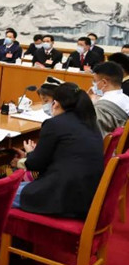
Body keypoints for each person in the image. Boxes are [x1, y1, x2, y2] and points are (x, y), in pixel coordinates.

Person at [11, 83, 103, 218]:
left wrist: (30, 154)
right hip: (88, 195)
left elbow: (36, 165)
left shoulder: (54, 123)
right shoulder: (91, 123)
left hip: (61, 197)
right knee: (14, 187)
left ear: (56, 104)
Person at [91, 61, 129, 136]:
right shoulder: (127, 99)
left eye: (95, 81)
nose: (94, 84)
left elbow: (96, 136)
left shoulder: (100, 108)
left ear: (104, 83)